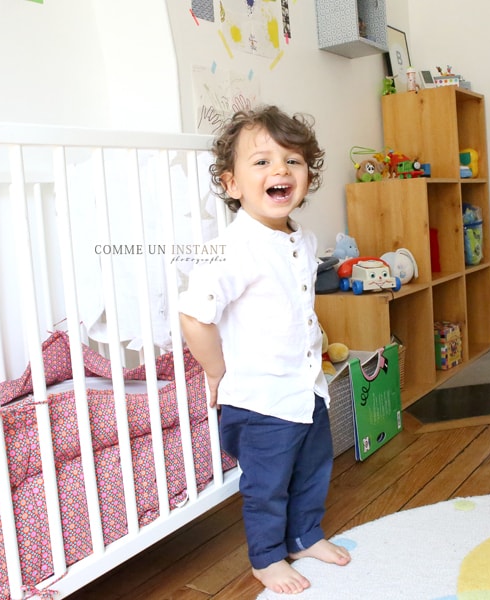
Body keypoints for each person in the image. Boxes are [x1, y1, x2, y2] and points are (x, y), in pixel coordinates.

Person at [178, 105, 351, 594]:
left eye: (292, 161)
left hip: (305, 387)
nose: (279, 170)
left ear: (307, 176)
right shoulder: (234, 247)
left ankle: (304, 535)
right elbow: (195, 315)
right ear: (232, 185)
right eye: (262, 162)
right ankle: (268, 558)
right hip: (259, 399)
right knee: (268, 485)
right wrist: (217, 373)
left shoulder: (303, 238)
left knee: (314, 468)